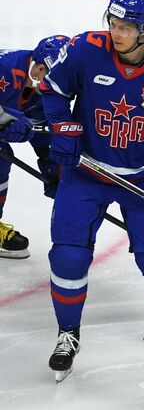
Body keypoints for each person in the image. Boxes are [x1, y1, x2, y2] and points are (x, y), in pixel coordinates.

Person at [37, 0, 144, 381]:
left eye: (126, 26)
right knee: (68, 255)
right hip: (86, 175)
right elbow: (52, 89)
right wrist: (62, 125)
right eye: (112, 22)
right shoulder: (85, 49)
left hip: (142, 177)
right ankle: (67, 334)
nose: (116, 32)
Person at [0, 34, 67, 256]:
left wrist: (48, 160)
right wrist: (5, 119)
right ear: (38, 69)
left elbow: (40, 126)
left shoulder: (43, 90)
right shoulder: (5, 70)